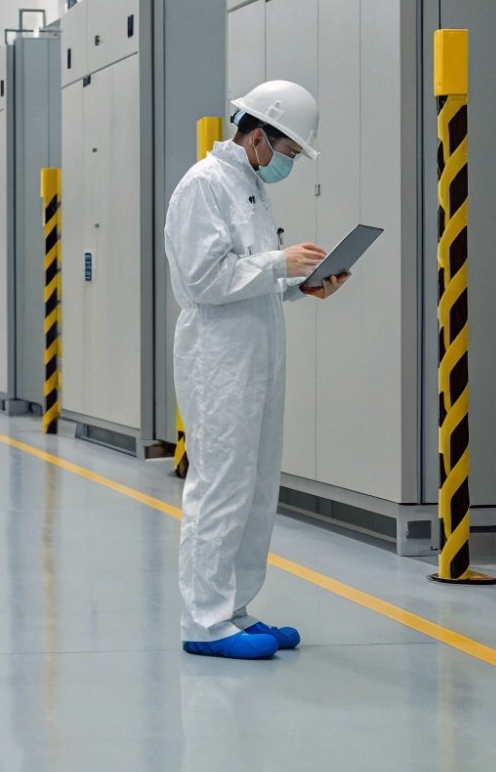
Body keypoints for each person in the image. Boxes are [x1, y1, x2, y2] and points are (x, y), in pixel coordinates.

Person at [164, 80, 350, 661]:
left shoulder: (247, 187)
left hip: (255, 351)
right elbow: (203, 280)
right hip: (217, 357)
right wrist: (278, 262)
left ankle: (235, 610)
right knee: (220, 486)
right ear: (259, 136)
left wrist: (301, 284)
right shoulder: (204, 185)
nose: (288, 163)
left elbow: (250, 278)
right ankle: (205, 621)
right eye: (289, 152)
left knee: (255, 488)